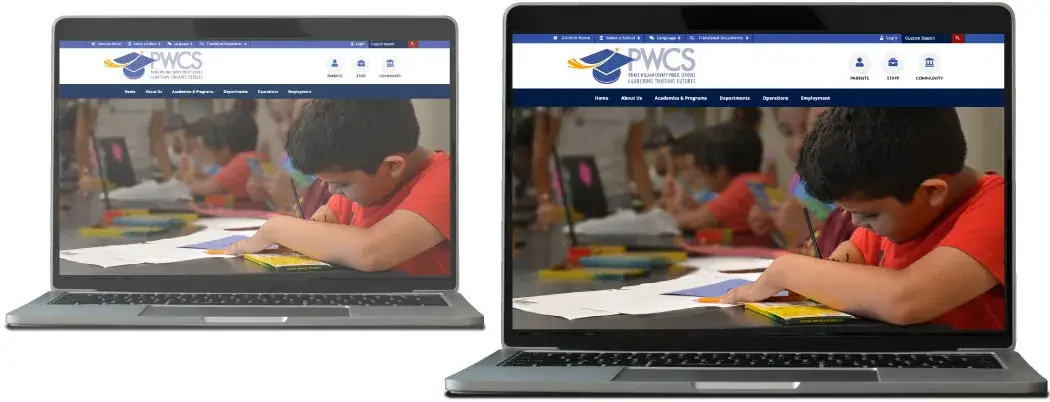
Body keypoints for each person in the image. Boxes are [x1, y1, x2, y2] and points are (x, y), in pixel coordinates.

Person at [721, 108, 1005, 330]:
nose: (855, 224)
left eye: (868, 214)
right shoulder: (889, 202)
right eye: (848, 211)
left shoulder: (1000, 207)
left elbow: (905, 300)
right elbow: (847, 262)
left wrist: (785, 270)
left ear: (931, 192)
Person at [224, 99, 452, 276]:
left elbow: (371, 251)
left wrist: (274, 228)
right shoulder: (359, 176)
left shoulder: (447, 179)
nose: (332, 192)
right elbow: (322, 223)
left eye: (341, 184)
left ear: (392, 166)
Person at [748, 107, 856, 252]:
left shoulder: (852, 186)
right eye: (787, 132)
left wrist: (809, 227)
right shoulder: (798, 181)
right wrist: (776, 224)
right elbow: (796, 243)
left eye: (809, 127)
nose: (798, 144)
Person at [532, 107, 655, 228]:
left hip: (617, 196)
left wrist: (651, 208)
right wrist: (545, 200)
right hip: (569, 198)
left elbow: (635, 157)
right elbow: (541, 153)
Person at [674, 123, 771, 236]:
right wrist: (696, 208)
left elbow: (697, 221)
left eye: (702, 173)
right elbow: (712, 216)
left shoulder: (743, 186)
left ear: (721, 172)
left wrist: (664, 215)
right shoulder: (757, 181)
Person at [74, 99, 173, 195]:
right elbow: (82, 138)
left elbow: (157, 139)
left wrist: (170, 178)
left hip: (142, 170)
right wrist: (84, 174)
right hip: (103, 171)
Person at [180, 110, 263, 203]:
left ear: (225, 150)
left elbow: (197, 190)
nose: (215, 158)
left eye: (215, 152)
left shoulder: (241, 162)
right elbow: (220, 180)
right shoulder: (255, 158)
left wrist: (190, 171)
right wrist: (198, 174)